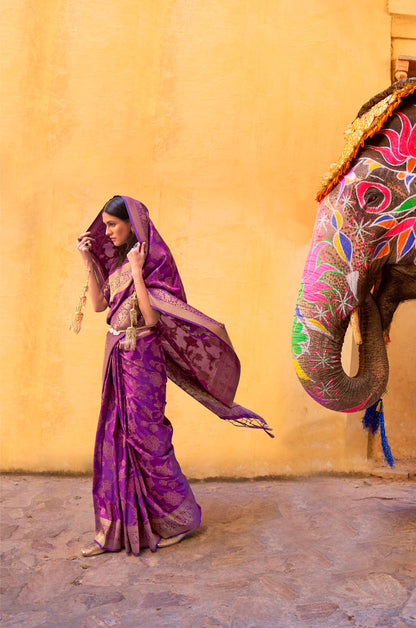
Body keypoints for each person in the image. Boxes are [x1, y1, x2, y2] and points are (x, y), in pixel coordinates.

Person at [73, 195, 272, 557]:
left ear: (132, 224)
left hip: (144, 362)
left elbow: (151, 319)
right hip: (118, 357)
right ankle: (119, 528)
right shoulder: (117, 267)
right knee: (117, 437)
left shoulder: (152, 266)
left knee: (148, 440)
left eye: (113, 225)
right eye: (104, 226)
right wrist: (88, 260)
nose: (107, 232)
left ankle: (180, 521)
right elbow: (101, 306)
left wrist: (136, 271)